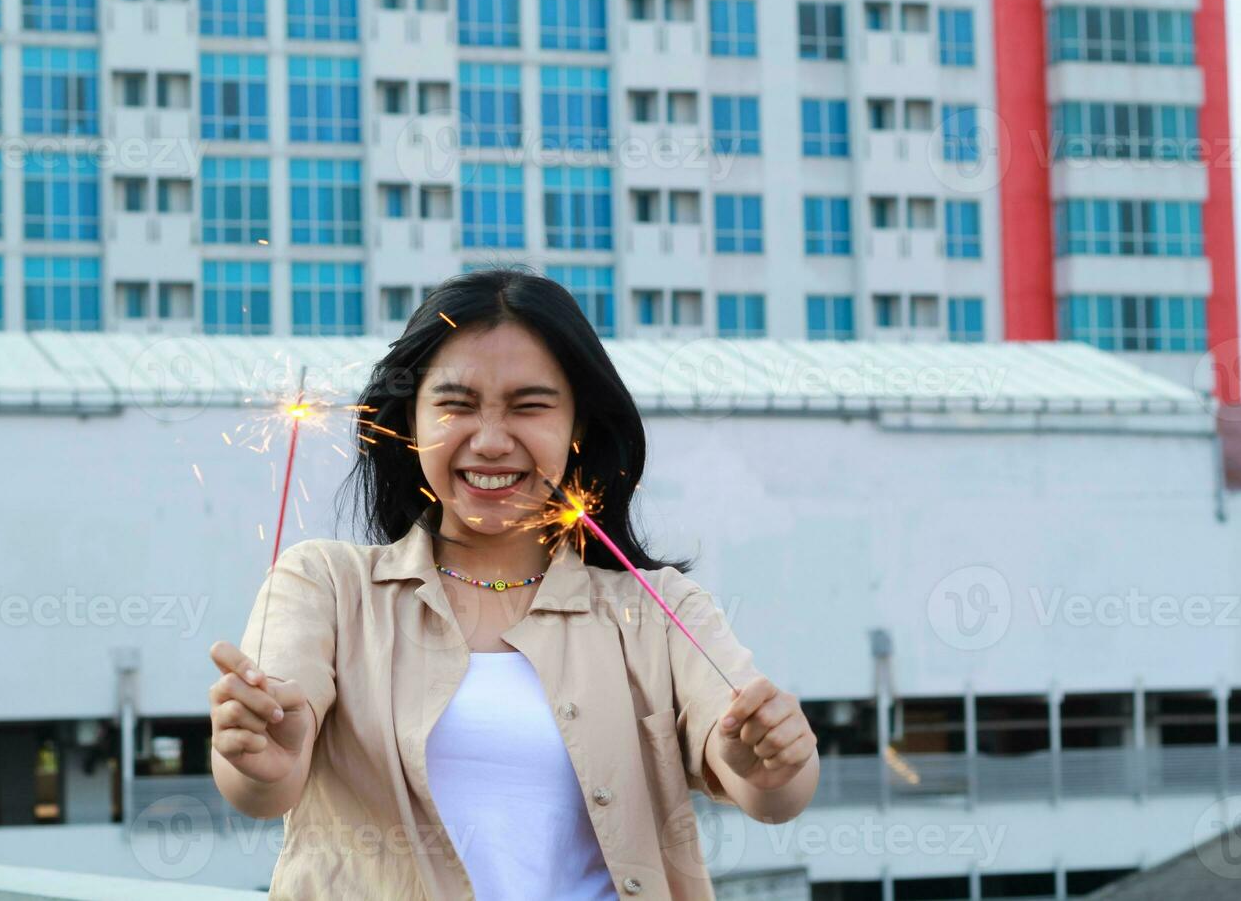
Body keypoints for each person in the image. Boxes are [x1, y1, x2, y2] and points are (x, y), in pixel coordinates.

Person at [208, 266, 818, 899]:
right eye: (455, 405)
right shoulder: (325, 586)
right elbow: (263, 785)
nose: (492, 441)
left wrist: (770, 761)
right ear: (410, 422)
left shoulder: (659, 609)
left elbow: (770, 792)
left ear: (578, 426)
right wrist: (260, 754)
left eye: (530, 406)